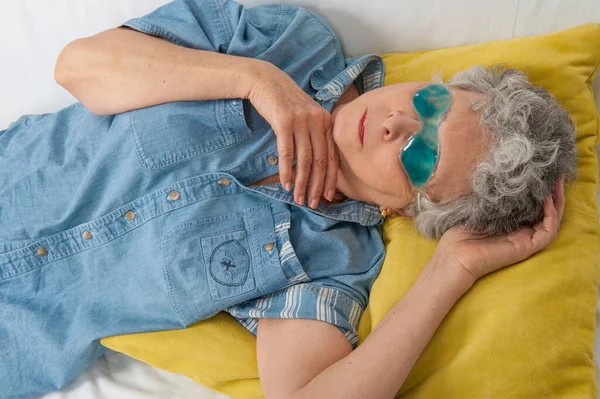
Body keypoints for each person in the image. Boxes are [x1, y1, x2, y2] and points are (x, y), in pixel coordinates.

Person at [0, 0, 576, 398]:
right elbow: (78, 67)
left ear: (413, 210)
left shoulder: (334, 261)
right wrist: (254, 79)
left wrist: (452, 268)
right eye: (430, 103)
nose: (396, 122)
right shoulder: (290, 44)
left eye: (421, 155)